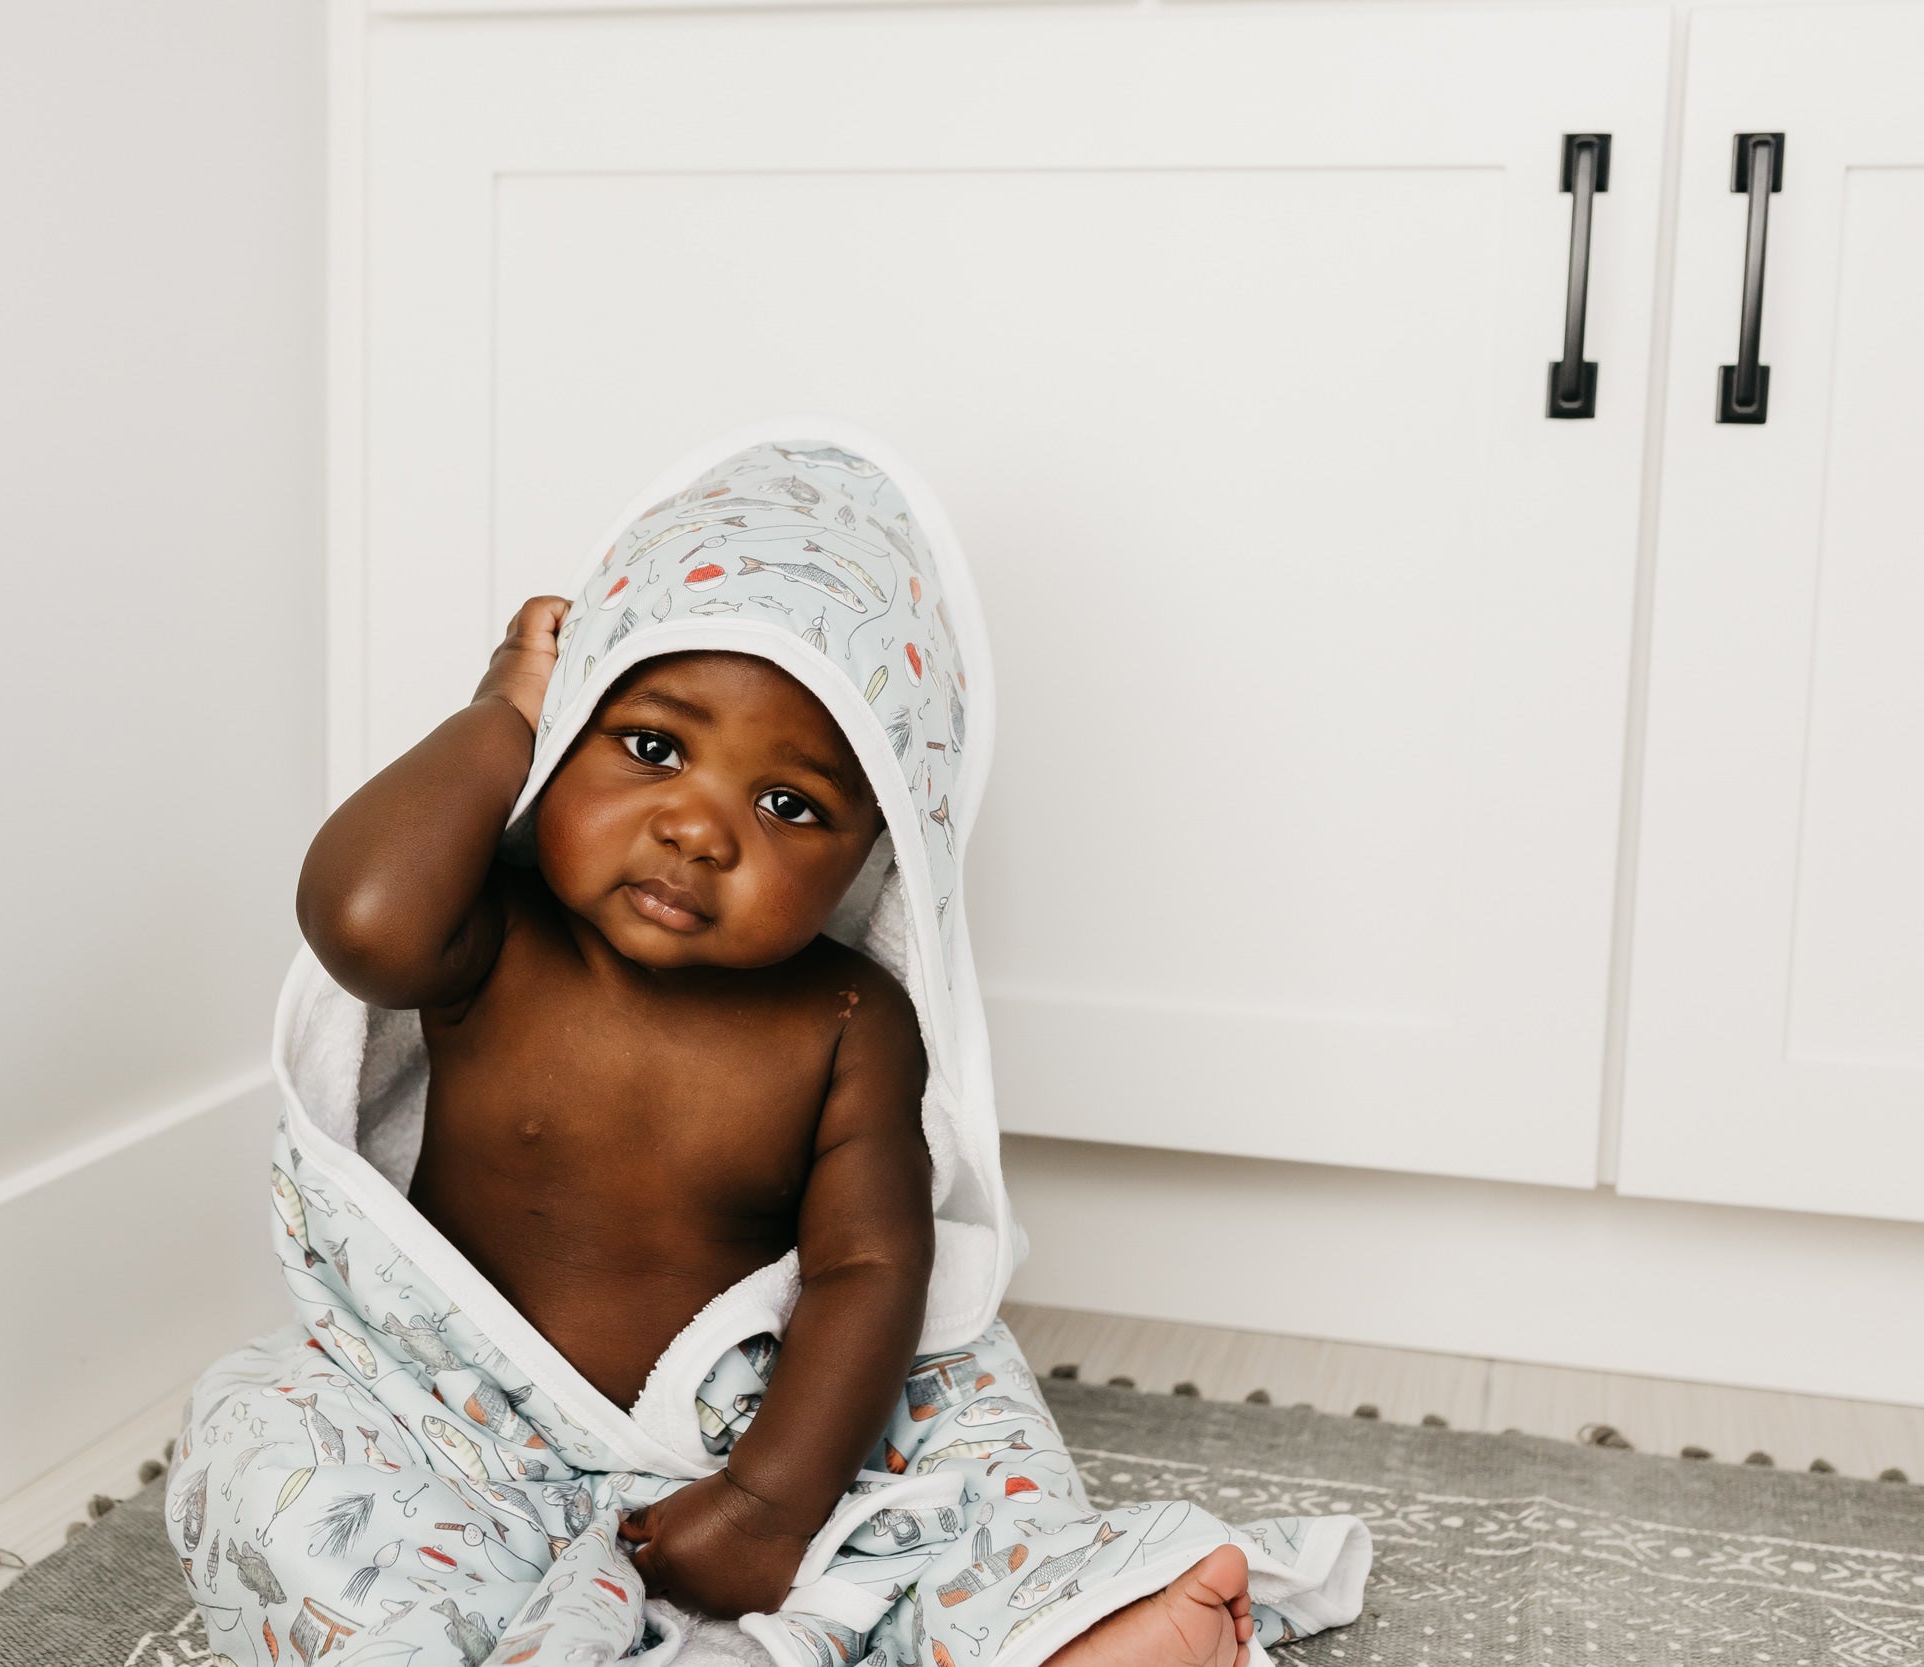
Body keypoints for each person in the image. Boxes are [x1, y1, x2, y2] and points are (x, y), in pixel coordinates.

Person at [165, 428, 1368, 1667]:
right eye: (651, 746)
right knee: (257, 1432)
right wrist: (503, 709)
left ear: (877, 850)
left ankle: (1060, 1627)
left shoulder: (848, 1019)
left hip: (770, 1434)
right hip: (459, 1421)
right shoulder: (494, 933)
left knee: (967, 1420)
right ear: (566, 730)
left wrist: (772, 1500)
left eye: (789, 804)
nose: (698, 829)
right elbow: (361, 919)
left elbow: (869, 1268)